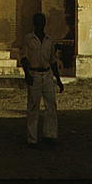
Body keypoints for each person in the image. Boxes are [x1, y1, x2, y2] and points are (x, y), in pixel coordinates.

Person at [20, 12, 64, 147]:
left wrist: (58, 80)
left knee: (51, 105)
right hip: (34, 74)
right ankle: (32, 139)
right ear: (34, 24)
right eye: (38, 22)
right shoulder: (28, 39)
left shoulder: (49, 41)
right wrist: (27, 74)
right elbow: (24, 58)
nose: (41, 24)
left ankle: (50, 135)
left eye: (42, 22)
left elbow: (53, 61)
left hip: (47, 75)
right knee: (33, 107)